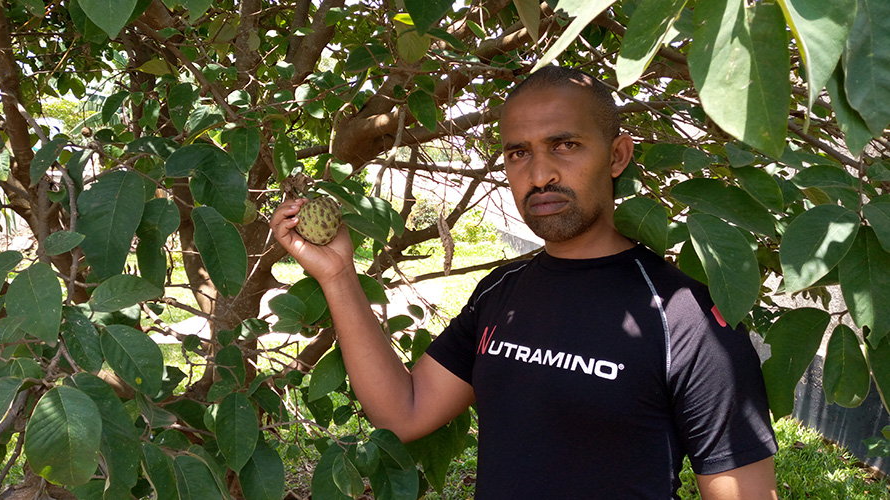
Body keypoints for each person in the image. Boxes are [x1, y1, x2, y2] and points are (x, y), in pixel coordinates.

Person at [270, 65, 779, 499]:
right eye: (518, 153)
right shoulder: (501, 291)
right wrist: (338, 276)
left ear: (617, 155)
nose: (540, 175)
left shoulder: (686, 319)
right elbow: (403, 412)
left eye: (565, 145)